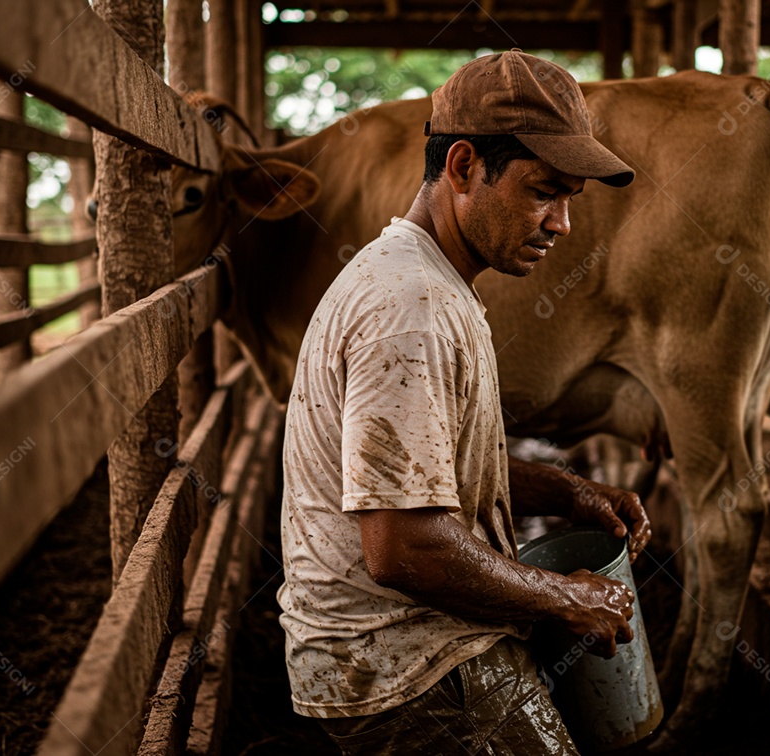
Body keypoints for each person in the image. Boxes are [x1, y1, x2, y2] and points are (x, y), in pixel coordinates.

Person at [277, 48, 652, 754]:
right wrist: (568, 597)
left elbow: (424, 473)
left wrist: (563, 491)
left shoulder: (431, 279)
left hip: (416, 641)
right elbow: (403, 546)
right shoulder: (409, 307)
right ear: (462, 168)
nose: (562, 224)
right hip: (402, 667)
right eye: (544, 191)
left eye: (570, 198)